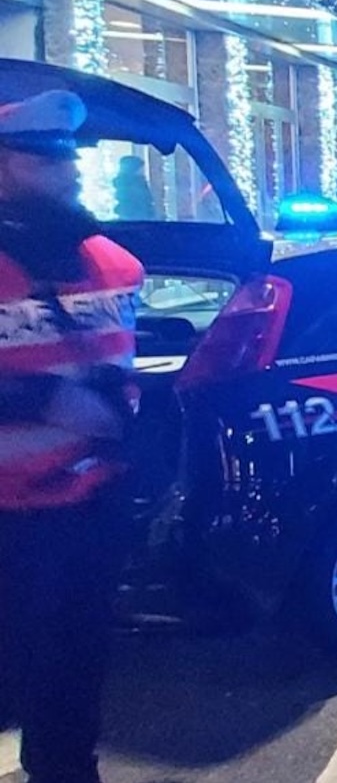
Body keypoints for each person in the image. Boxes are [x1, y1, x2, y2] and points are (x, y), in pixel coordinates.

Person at [0, 89, 144, 783]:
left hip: (87, 515)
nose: (69, 169)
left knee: (69, 697)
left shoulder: (115, 264)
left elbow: (120, 368)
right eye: (45, 157)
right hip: (8, 521)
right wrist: (44, 397)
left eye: (70, 156)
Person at [111, 155, 155, 221]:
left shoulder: (134, 183)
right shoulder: (132, 185)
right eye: (140, 169)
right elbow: (141, 201)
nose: (142, 171)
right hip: (136, 217)